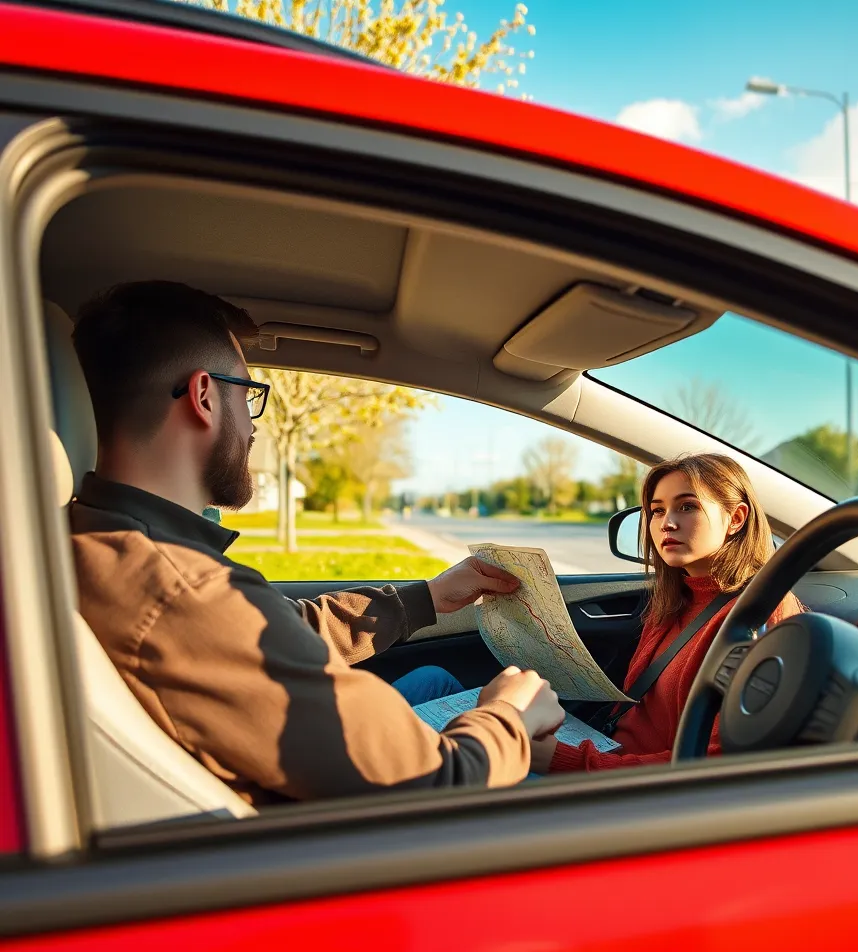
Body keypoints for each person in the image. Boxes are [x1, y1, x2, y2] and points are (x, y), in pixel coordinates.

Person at [68, 280, 563, 805]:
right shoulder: (183, 590)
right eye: (248, 395)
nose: (255, 428)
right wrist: (510, 715)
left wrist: (429, 596)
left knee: (435, 680)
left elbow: (269, 633)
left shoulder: (107, 540)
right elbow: (440, 783)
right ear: (205, 397)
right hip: (342, 826)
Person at [532, 453, 801, 775]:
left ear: (736, 518)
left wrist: (563, 761)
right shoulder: (675, 599)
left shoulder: (762, 615)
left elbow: (721, 760)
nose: (666, 523)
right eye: (657, 510)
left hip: (634, 790)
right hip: (603, 756)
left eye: (687, 506)